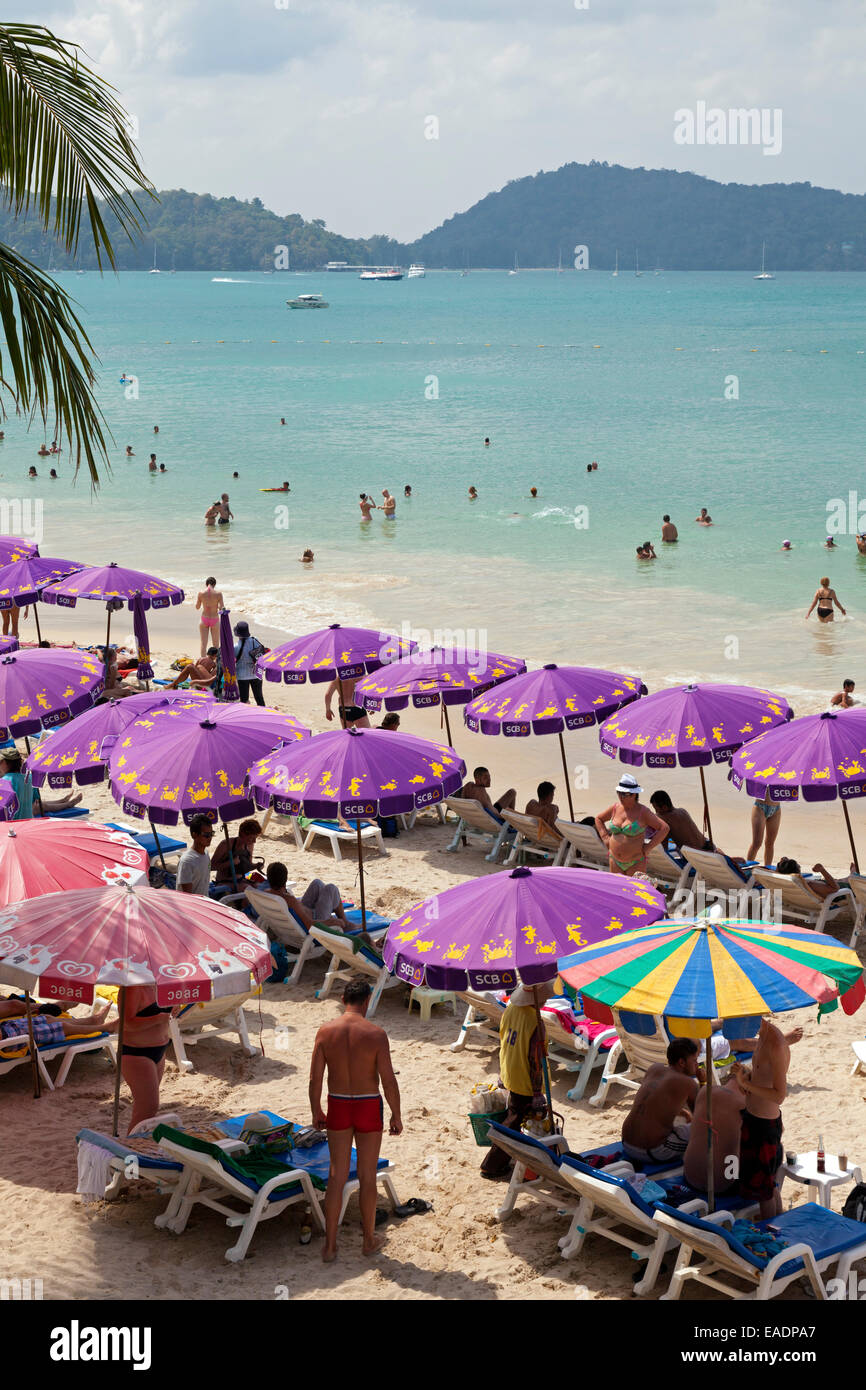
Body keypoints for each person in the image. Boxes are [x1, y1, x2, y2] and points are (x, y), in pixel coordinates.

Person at [309, 979, 402, 1261]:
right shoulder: (376, 1034)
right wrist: (396, 1114)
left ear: (342, 998)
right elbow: (388, 1081)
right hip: (367, 1105)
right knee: (367, 1177)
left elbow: (315, 1079)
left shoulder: (325, 1032)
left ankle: (330, 1246)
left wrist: (316, 1110)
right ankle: (369, 1240)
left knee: (336, 1176)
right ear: (366, 1001)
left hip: (338, 1102)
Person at [480, 983, 551, 1180]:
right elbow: (535, 1060)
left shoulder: (510, 1010)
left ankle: (512, 1160)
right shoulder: (536, 1022)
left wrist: (502, 1072)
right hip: (525, 1079)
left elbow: (503, 1041)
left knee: (515, 1116)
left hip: (510, 1070)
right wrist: (537, 1093)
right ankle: (491, 1165)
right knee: (514, 1122)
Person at [731, 1018, 792, 1218]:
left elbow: (779, 1095)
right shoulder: (762, 1036)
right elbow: (762, 1080)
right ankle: (776, 1225)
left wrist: (746, 1085)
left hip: (765, 1126)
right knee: (765, 1187)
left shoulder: (776, 1044)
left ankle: (772, 1235)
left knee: (765, 1191)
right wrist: (745, 1076)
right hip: (752, 1118)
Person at [621, 1038, 701, 1164]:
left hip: (626, 1143)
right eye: (694, 1060)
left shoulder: (654, 1068)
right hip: (653, 1151)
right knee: (708, 1133)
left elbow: (654, 1102)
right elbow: (703, 1118)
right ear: (681, 1062)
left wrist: (683, 1112)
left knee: (683, 1118)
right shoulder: (688, 1083)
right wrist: (703, 1082)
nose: (697, 1065)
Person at [119, 985, 181, 1133]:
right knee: (147, 1108)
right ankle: (131, 1147)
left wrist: (174, 1009)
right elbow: (127, 1024)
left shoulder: (161, 983)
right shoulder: (133, 988)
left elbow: (168, 1014)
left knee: (145, 1109)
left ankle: (136, 1143)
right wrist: (159, 1018)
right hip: (136, 1054)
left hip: (159, 1051)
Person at [595, 773, 668, 877]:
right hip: (614, 859)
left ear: (634, 795)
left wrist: (648, 847)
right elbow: (598, 819)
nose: (620, 796)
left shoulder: (643, 812)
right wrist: (605, 837)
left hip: (635, 862)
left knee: (634, 892)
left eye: (624, 794)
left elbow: (664, 828)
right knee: (617, 891)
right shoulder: (615, 808)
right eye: (619, 792)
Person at [683, 1074, 747, 1194]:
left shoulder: (704, 1091)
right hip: (723, 1183)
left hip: (690, 1175)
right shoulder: (745, 1105)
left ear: (728, 1079)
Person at [263, 862, 349, 930]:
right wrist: (331, 921)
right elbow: (309, 925)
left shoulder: (266, 893)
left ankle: (339, 915)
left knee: (317, 883)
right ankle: (346, 923)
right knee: (331, 888)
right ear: (285, 879)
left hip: (303, 913)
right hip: (317, 920)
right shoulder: (290, 900)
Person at [0, 749, 81, 818]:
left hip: (13, 826)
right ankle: (65, 802)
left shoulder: (4, 782)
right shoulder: (30, 777)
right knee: (40, 805)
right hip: (29, 822)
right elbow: (35, 801)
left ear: (5, 763)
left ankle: (66, 803)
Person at [210, 819, 263, 897]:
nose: (254, 841)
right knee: (249, 891)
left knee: (262, 888)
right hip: (224, 882)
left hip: (241, 881)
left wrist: (256, 866)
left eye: (256, 838)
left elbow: (247, 866)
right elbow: (211, 867)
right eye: (252, 838)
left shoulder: (249, 845)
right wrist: (229, 863)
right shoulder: (226, 844)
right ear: (243, 834)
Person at [176, 814, 214, 894]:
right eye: (206, 835)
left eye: (211, 834)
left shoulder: (206, 853)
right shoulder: (187, 861)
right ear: (194, 835)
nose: (210, 838)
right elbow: (188, 895)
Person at [775, 858, 846, 898]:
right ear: (798, 869)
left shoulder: (787, 882)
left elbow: (779, 872)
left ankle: (850, 876)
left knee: (842, 879)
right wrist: (822, 870)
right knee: (848, 880)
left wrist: (781, 865)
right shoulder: (810, 885)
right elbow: (835, 888)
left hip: (827, 885)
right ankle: (852, 876)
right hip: (841, 893)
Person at [747, 790, 781, 866]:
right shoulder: (763, 777)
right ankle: (747, 869)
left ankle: (767, 869)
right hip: (760, 807)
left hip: (776, 809)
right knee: (757, 843)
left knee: (770, 844)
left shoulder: (780, 777)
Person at [234, 621, 266, 704]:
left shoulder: (236, 647)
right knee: (259, 697)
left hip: (241, 675)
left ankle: (245, 715)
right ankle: (264, 713)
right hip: (256, 674)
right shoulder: (254, 641)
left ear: (237, 634)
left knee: (244, 700)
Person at [195, 577, 224, 656]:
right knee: (216, 644)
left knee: (203, 643)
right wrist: (216, 606)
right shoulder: (218, 594)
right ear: (214, 584)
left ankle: (203, 662)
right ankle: (216, 663)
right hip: (214, 619)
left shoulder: (201, 593)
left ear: (206, 584)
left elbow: (197, 607)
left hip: (204, 619)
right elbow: (222, 608)